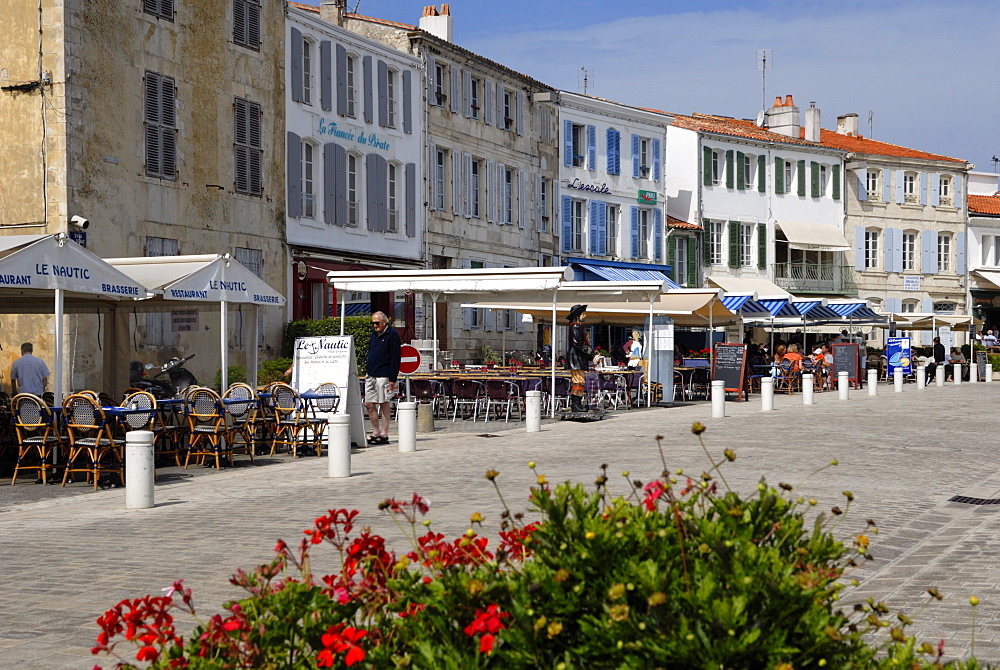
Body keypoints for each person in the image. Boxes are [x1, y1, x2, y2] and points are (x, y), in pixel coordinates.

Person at [365, 311, 401, 444]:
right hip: (371, 373)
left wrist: (393, 378)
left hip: (384, 374)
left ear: (384, 322)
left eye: (377, 323)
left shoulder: (392, 335)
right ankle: (375, 431)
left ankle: (384, 433)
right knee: (369, 403)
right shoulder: (374, 334)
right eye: (373, 323)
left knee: (383, 402)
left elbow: (396, 357)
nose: (374, 326)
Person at [566, 304, 592, 412]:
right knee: (578, 380)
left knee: (579, 381)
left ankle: (577, 404)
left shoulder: (577, 326)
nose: (585, 316)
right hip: (576, 358)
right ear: (578, 315)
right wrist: (590, 352)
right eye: (583, 314)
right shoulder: (575, 326)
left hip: (578, 357)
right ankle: (576, 404)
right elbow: (578, 343)